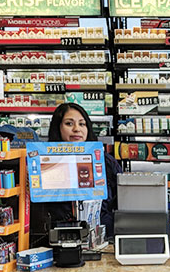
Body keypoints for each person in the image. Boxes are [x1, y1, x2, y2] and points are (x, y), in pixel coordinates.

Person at [40, 102, 122, 238]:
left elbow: (120, 200)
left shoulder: (106, 162)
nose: (77, 129)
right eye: (69, 123)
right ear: (58, 127)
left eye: (82, 124)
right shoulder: (46, 162)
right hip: (58, 239)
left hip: (104, 239)